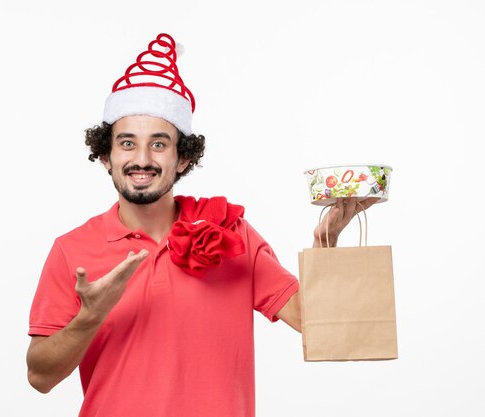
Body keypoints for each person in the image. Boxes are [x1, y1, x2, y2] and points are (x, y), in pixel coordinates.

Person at [26, 33, 376, 417]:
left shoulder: (230, 231)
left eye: (159, 144)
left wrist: (325, 242)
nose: (141, 158)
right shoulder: (72, 249)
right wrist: (91, 315)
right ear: (106, 156)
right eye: (127, 143)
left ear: (183, 159)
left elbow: (322, 326)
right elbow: (40, 377)